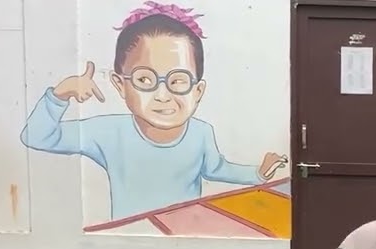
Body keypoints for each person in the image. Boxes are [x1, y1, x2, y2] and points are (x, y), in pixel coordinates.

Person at [19, 2, 285, 220]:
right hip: (127, 238)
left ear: (198, 91)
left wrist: (258, 174)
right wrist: (59, 95)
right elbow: (38, 137)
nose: (162, 95)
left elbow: (216, 168)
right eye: (145, 79)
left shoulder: (201, 133)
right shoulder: (107, 133)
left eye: (178, 81)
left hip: (185, 234)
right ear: (120, 85)